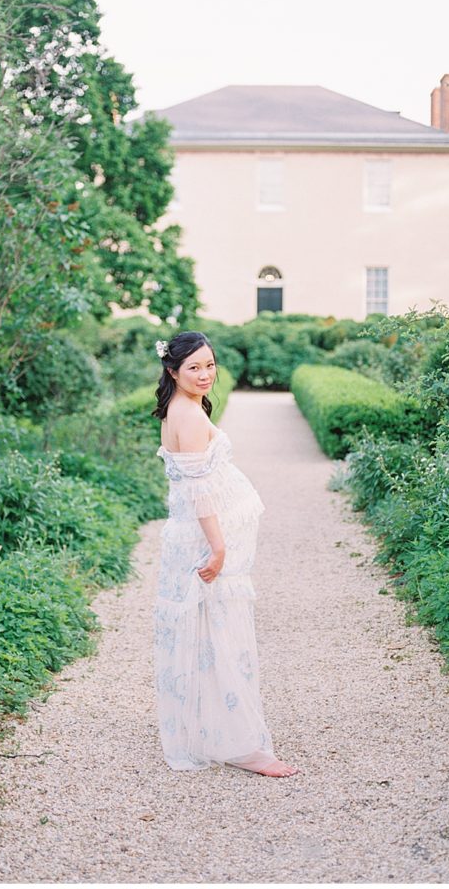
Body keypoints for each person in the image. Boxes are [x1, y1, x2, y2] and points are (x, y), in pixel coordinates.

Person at [151, 330, 299, 778]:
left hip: (190, 538)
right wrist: (218, 548)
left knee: (208, 641)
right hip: (202, 542)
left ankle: (217, 731)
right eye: (193, 367)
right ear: (173, 370)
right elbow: (198, 491)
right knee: (221, 639)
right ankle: (244, 745)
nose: (204, 375)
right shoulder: (188, 415)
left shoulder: (181, 409)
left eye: (210, 365)